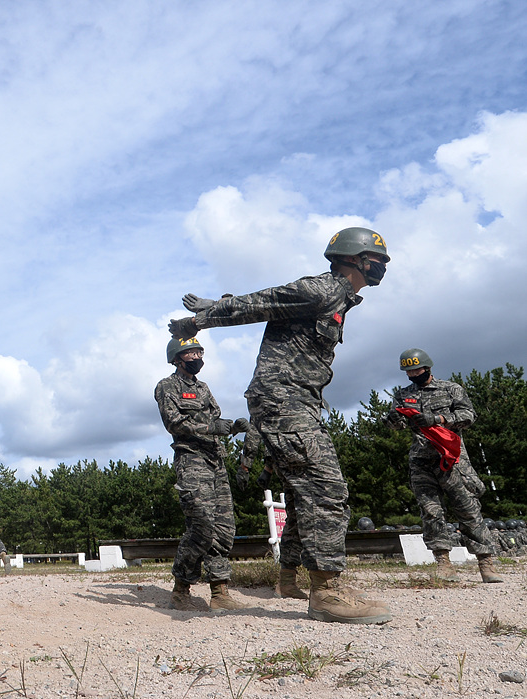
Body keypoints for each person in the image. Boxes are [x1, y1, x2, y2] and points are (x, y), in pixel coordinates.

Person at [171, 227, 392, 625]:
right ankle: (326, 591)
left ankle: (320, 583)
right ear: (353, 259)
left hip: (299, 401)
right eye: (377, 259)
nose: (382, 267)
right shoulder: (322, 290)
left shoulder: (339, 298)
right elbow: (261, 303)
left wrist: (214, 304)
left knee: (316, 490)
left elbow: (262, 302)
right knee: (324, 488)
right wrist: (198, 321)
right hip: (283, 400)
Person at [384, 348, 501, 583]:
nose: (411, 374)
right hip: (421, 460)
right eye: (407, 371)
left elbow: (468, 415)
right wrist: (394, 420)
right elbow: (395, 426)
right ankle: (443, 563)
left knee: (467, 509)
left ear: (427, 367)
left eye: (415, 369)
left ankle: (485, 563)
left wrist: (439, 419)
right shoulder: (403, 394)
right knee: (431, 511)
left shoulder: (450, 389)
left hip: (451, 458)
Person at [155, 336, 250, 611]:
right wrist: (214, 428)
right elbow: (175, 422)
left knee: (223, 527)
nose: (197, 357)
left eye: (199, 352)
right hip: (191, 461)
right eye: (191, 353)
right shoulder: (166, 386)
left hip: (216, 461)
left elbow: (215, 419)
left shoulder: (204, 388)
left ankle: (220, 592)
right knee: (201, 525)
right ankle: (181, 588)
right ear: (177, 358)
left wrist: (232, 426)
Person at [238, 424, 308, 600]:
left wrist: (266, 469)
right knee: (308, 512)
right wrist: (246, 466)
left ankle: (289, 580)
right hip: (292, 457)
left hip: (303, 453)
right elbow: (257, 427)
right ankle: (323, 583)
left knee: (297, 515)